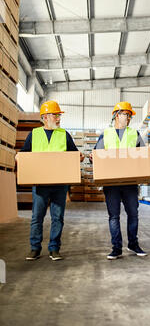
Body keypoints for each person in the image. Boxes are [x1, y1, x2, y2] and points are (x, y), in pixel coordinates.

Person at [19, 101, 84, 261]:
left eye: (58, 115)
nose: (58, 118)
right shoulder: (34, 134)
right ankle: (35, 248)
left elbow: (75, 155)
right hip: (40, 185)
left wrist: (80, 157)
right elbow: (23, 154)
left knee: (58, 217)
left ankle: (54, 248)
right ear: (45, 117)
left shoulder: (64, 134)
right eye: (55, 115)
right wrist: (17, 157)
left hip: (60, 185)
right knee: (37, 217)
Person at [92, 102, 147, 260]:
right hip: (111, 183)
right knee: (114, 216)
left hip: (130, 182)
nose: (129, 118)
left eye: (130, 116)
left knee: (133, 214)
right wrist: (93, 156)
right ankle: (116, 247)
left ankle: (133, 244)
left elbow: (143, 154)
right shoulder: (106, 134)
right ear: (117, 115)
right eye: (126, 115)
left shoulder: (134, 134)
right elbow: (97, 154)